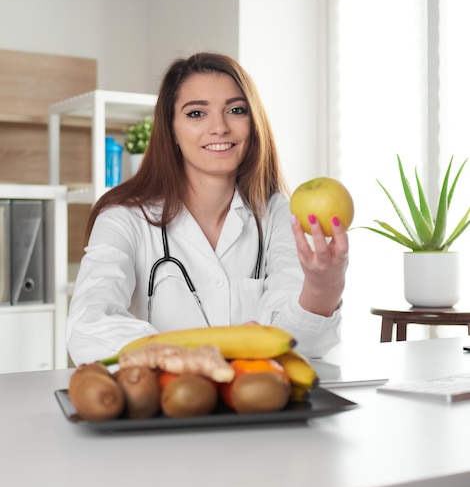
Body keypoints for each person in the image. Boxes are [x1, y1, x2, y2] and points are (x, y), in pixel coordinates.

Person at [66, 52, 349, 365]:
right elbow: (87, 327)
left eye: (236, 110)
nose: (220, 127)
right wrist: (195, 357)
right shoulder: (122, 218)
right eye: (196, 114)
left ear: (253, 123)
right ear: (171, 129)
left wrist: (324, 287)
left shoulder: (276, 212)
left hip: (256, 400)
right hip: (167, 404)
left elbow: (302, 345)